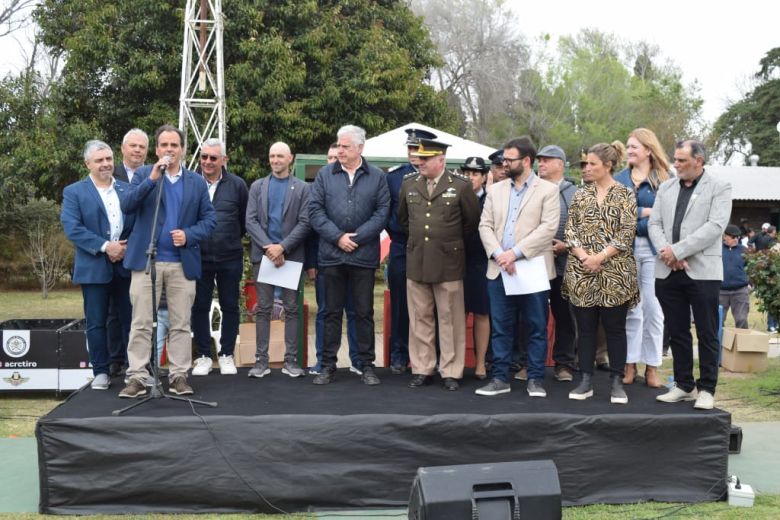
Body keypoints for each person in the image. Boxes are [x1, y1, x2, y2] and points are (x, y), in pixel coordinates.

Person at [118, 124, 217, 398]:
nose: (169, 150)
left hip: (181, 264)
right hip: (146, 262)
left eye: (174, 145)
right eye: (164, 145)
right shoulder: (142, 174)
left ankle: (178, 376)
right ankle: (137, 377)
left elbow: (210, 220)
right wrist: (151, 178)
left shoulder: (196, 182)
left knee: (180, 323)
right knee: (140, 322)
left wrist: (189, 234)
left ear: (183, 150)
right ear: (157, 149)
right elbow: (127, 205)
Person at [474, 137, 559, 398]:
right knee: (501, 325)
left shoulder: (547, 190)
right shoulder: (496, 190)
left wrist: (515, 253)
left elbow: (548, 228)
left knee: (535, 325)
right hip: (499, 269)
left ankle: (535, 378)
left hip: (531, 268)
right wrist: (500, 254)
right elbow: (484, 225)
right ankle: (500, 377)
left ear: (526, 161)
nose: (504, 163)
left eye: (510, 159)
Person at [651, 140, 732, 410]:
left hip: (703, 272)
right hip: (668, 269)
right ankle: (684, 384)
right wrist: (668, 254)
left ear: (699, 161)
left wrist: (678, 251)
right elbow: (654, 224)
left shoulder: (719, 186)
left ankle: (707, 388)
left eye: (682, 160)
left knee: (707, 332)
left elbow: (715, 226)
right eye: (675, 159)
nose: (675, 165)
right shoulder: (666, 187)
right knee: (676, 331)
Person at [308, 125, 390, 385]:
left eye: (345, 146)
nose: (340, 150)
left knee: (364, 312)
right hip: (331, 256)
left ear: (360, 148)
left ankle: (365, 365)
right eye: (338, 146)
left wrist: (358, 237)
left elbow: (382, 212)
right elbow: (315, 211)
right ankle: (327, 365)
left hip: (363, 256)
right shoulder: (324, 175)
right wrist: (338, 237)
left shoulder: (377, 176)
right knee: (330, 311)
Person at [399, 139, 481, 391]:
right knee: (420, 317)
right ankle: (423, 367)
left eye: (426, 159)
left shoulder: (460, 186)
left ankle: (451, 370)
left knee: (450, 318)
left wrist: (446, 243)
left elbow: (470, 223)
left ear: (441, 160)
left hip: (448, 262)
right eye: (419, 158)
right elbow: (403, 220)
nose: (420, 162)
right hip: (418, 261)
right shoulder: (409, 184)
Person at [564, 142, 638, 405]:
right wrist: (585, 257)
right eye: (586, 163)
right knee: (585, 330)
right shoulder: (580, 195)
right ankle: (585, 379)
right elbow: (570, 231)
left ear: (608, 165)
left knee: (615, 329)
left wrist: (600, 258)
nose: (587, 168)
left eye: (593, 163)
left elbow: (626, 233)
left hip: (615, 273)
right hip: (582, 272)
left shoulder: (625, 194)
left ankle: (617, 381)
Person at [61, 140, 134, 390]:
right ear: (87, 164)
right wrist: (106, 247)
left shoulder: (126, 189)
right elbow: (73, 228)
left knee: (131, 319)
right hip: (93, 266)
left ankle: (132, 368)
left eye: (108, 159)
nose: (105, 164)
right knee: (96, 322)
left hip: (125, 265)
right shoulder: (74, 192)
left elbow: (137, 223)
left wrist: (125, 248)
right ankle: (100, 371)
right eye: (99, 160)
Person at [245, 142, 310, 378]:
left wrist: (282, 247)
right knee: (263, 309)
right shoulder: (257, 187)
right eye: (272, 155)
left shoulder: (303, 188)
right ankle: (261, 362)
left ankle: (291, 361)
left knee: (291, 309)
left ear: (290, 158)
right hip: (263, 257)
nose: (275, 160)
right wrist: (270, 248)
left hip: (290, 257)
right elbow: (250, 221)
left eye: (280, 156)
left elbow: (305, 222)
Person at [614, 128, 671, 388]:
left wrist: (646, 213)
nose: (630, 150)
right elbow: (613, 211)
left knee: (653, 308)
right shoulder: (619, 179)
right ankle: (629, 364)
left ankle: (652, 367)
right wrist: (643, 210)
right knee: (630, 309)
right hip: (623, 250)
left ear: (648, 149)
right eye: (628, 146)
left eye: (634, 146)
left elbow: (666, 214)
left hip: (653, 249)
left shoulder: (664, 179)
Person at [190, 138, 248, 376]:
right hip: (199, 256)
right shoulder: (191, 183)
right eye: (204, 157)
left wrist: (229, 238)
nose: (207, 162)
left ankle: (226, 355)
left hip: (230, 256)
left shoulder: (238, 185)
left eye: (213, 157)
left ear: (224, 159)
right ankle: (203, 355)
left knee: (230, 306)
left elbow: (244, 220)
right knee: (199, 307)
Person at [306, 143, 362, 375]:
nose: (332, 160)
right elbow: (311, 228)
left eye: (335, 156)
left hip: (356, 257)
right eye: (328, 157)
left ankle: (358, 360)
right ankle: (323, 360)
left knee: (356, 311)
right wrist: (311, 263)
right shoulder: (320, 185)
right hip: (325, 261)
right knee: (326, 312)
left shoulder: (356, 183)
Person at [384, 128, 436, 374]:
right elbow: (386, 213)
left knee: (431, 305)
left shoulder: (439, 176)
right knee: (400, 304)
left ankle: (429, 357)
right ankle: (399, 353)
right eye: (410, 149)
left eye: (418, 149)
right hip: (402, 246)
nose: (414, 154)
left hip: (432, 249)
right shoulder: (395, 178)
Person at [106, 128, 149, 377]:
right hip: (113, 252)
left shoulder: (152, 174)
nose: (137, 150)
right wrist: (114, 246)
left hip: (140, 251)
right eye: (132, 146)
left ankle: (139, 362)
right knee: (114, 311)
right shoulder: (109, 174)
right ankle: (116, 359)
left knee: (138, 312)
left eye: (142, 147)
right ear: (122, 149)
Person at [536, 144, 578, 382]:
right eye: (539, 160)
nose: (541, 164)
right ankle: (530, 363)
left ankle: (564, 363)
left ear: (560, 164)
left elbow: (585, 229)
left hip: (564, 264)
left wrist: (567, 245)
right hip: (537, 264)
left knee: (564, 315)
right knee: (534, 316)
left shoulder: (575, 194)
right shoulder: (532, 189)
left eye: (546, 160)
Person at [461, 156, 491, 380]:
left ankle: (480, 363)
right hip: (457, 263)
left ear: (484, 176)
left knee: (482, 313)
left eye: (475, 173)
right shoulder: (454, 197)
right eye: (467, 173)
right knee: (456, 316)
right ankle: (456, 363)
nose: (470, 177)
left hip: (482, 263)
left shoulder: (491, 200)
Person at [720, 224, 750, 329]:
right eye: (733, 237)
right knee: (718, 320)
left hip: (740, 291)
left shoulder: (744, 250)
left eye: (738, 237)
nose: (736, 239)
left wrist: (750, 282)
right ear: (725, 236)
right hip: (720, 291)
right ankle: (718, 344)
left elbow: (751, 268)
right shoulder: (717, 250)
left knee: (741, 319)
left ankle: (742, 345)